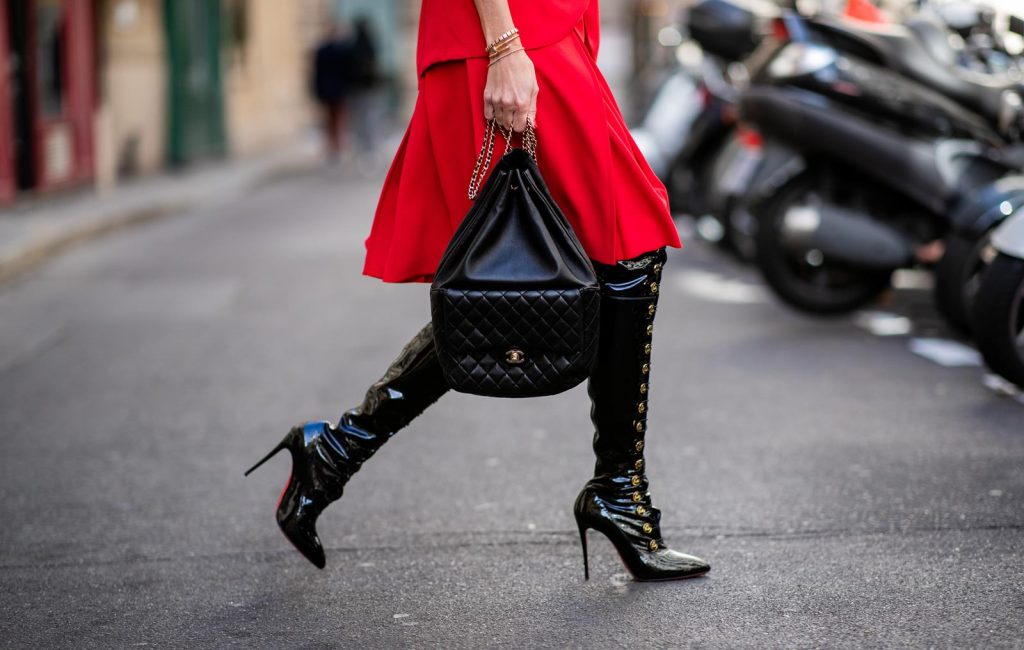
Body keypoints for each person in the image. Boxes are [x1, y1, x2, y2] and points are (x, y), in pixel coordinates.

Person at [247, 0, 710, 582]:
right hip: (513, 36)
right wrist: (505, 46)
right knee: (606, 250)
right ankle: (617, 490)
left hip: (542, 33)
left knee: (531, 275)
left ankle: (336, 452)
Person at [311, 23, 353, 160]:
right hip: (338, 90)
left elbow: (316, 73)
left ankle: (333, 146)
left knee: (330, 119)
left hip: (327, 90)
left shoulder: (321, 50)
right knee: (339, 118)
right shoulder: (341, 50)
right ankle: (337, 146)